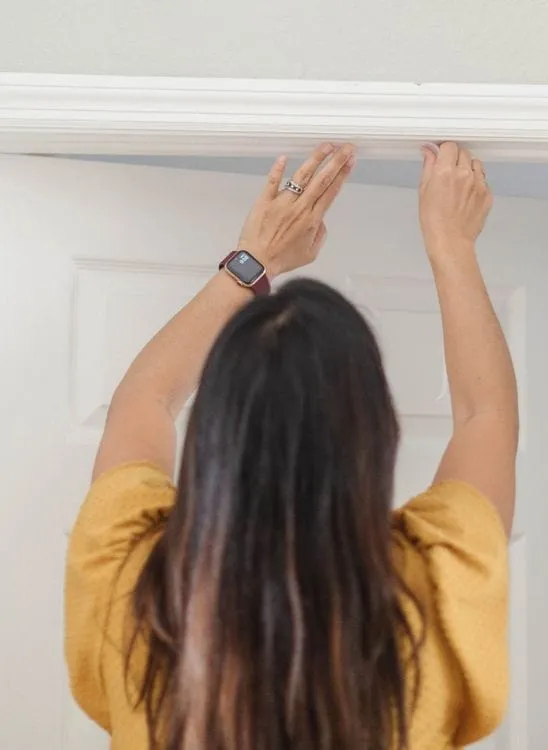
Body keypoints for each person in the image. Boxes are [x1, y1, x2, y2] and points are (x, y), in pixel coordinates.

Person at [65, 141, 518, 750]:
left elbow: (144, 400)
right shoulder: (435, 579)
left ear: (215, 429)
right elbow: (485, 417)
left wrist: (251, 262)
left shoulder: (136, 578)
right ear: (374, 432)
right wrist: (451, 245)